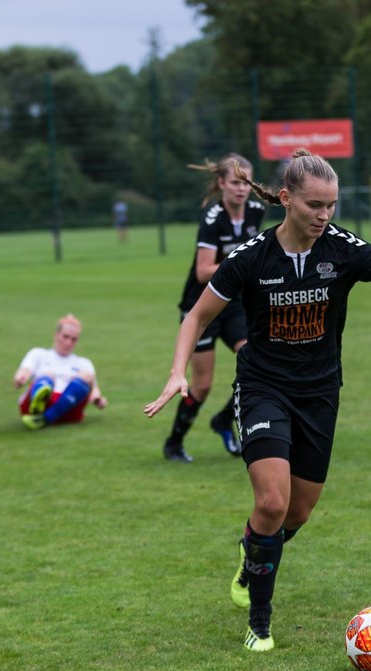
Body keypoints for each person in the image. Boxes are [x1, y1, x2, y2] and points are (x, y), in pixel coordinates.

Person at [145, 149, 371, 652]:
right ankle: (260, 621)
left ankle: (252, 547)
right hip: (262, 389)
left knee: (296, 514)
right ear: (286, 199)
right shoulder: (251, 258)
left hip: (319, 394)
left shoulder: (343, 249)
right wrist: (176, 373)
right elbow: (196, 315)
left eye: (332, 205)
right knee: (272, 501)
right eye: (314, 205)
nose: (324, 215)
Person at [161, 153, 267, 463]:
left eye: (246, 183)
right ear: (221, 183)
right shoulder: (212, 218)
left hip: (234, 305)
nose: (241, 189)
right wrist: (243, 265)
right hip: (201, 308)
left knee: (256, 361)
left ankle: (224, 419)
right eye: (235, 182)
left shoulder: (256, 211)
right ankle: (174, 443)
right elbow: (203, 271)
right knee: (202, 385)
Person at [14, 313, 108, 429]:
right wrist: (20, 378)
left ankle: (45, 418)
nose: (69, 343)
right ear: (56, 335)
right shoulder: (38, 354)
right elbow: (25, 370)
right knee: (48, 376)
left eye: (74, 339)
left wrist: (98, 400)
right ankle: (39, 408)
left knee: (87, 376)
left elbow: (94, 390)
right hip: (43, 398)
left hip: (69, 406)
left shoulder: (84, 363)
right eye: (65, 337)